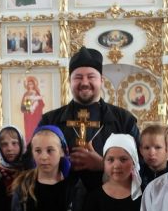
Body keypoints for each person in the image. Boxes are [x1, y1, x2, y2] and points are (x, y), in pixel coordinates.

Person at [37, 46, 140, 190]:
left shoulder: (124, 120)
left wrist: (103, 165)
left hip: (110, 199)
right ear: (69, 81)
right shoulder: (49, 120)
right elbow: (31, 162)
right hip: (60, 197)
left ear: (101, 80)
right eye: (78, 77)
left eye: (91, 77)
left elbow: (140, 166)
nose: (84, 83)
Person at [139, 124, 168, 190]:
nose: (151, 153)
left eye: (158, 147)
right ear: (141, 150)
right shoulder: (136, 176)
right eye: (147, 148)